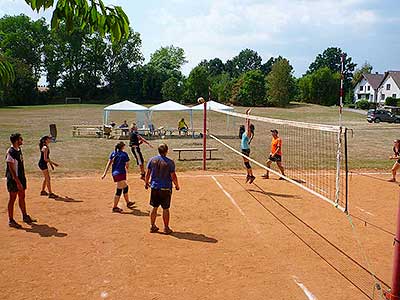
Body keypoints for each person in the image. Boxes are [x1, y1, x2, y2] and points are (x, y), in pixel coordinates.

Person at [145, 143, 180, 234]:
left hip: (155, 187)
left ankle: (152, 226)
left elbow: (148, 173)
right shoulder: (170, 162)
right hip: (165, 188)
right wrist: (176, 185)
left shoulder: (152, 160)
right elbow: (173, 176)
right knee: (165, 208)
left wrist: (146, 183)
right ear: (166, 151)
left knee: (154, 207)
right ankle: (166, 228)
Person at [5, 133, 36, 228]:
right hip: (14, 179)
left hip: (21, 178)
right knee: (12, 198)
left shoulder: (18, 149)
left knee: (22, 196)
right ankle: (11, 220)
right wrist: (17, 182)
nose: (22, 140)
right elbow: (11, 169)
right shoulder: (10, 152)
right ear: (16, 141)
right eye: (20, 139)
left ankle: (25, 216)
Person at [101, 141, 135, 213]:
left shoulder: (113, 154)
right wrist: (126, 168)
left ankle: (128, 202)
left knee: (125, 187)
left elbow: (109, 163)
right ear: (122, 147)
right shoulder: (124, 154)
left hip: (115, 173)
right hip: (121, 173)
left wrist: (105, 173)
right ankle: (115, 207)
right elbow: (127, 164)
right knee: (119, 190)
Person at [241, 109, 255, 184]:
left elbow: (248, 122)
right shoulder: (246, 132)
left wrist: (249, 115)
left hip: (246, 150)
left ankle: (251, 175)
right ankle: (248, 175)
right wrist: (246, 114)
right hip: (244, 149)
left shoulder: (248, 133)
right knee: (245, 163)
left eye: (248, 126)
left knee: (247, 163)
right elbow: (246, 122)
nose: (246, 126)